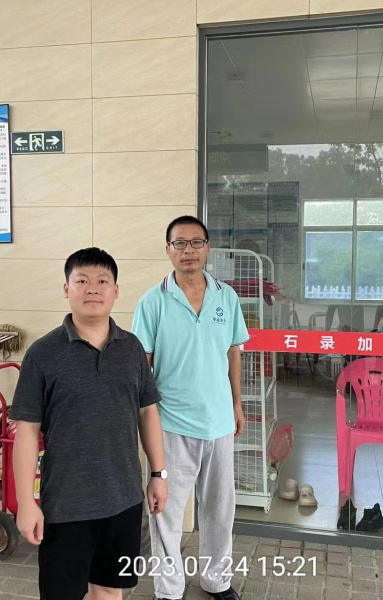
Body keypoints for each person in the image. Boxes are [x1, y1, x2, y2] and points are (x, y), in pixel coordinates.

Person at [10, 247, 167, 600]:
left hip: (124, 501)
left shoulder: (132, 349)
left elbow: (148, 412)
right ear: (67, 289)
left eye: (102, 281)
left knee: (111, 590)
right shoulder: (43, 353)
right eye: (82, 281)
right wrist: (26, 503)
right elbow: (27, 431)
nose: (93, 289)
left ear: (116, 290)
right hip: (66, 506)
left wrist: (159, 474)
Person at [133, 216, 249, 600]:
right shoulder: (152, 301)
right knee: (165, 511)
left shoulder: (226, 296)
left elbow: (233, 351)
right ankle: (169, 590)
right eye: (179, 243)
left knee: (219, 509)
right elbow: (143, 365)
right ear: (168, 250)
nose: (188, 251)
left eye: (196, 242)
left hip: (219, 421)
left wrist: (236, 403)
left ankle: (217, 581)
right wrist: (145, 419)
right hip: (171, 424)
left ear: (207, 248)